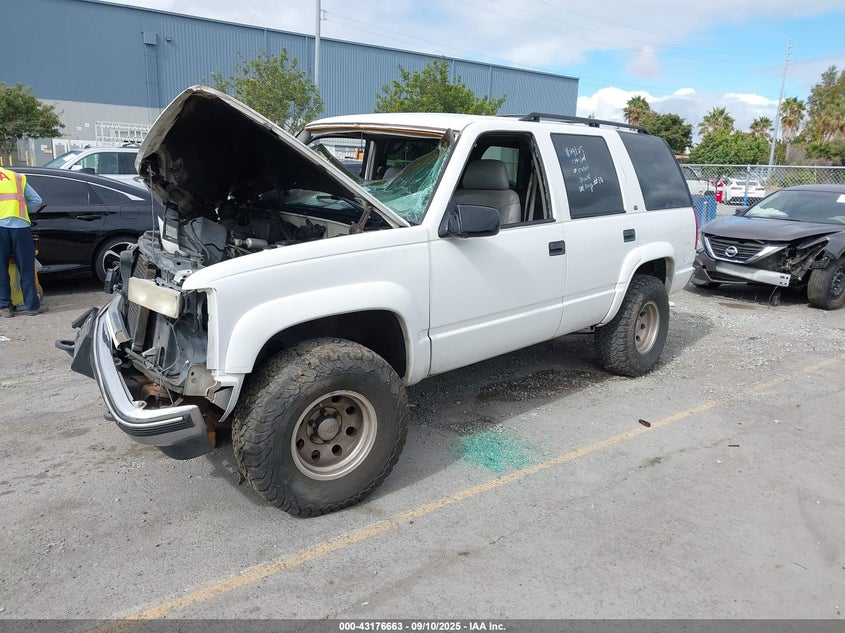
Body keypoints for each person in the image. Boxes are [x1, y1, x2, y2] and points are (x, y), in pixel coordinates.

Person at [0, 167, 43, 317]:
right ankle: (32, 306)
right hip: (21, 227)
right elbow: (37, 201)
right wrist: (23, 210)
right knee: (26, 269)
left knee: (1, 269)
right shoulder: (16, 177)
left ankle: (5, 307)